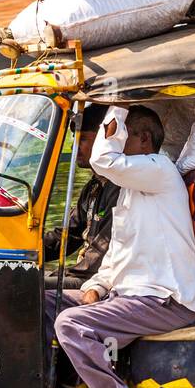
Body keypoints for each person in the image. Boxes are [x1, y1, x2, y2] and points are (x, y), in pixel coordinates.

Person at [45, 104, 195, 388]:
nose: (112, 142)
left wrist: (115, 101)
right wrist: (96, 287)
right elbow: (118, 252)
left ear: (144, 140)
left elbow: (105, 160)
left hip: (165, 298)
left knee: (71, 324)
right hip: (129, 295)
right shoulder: (131, 189)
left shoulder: (159, 169)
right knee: (42, 303)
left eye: (118, 135)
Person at [42, 103, 121, 285]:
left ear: (104, 141)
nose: (75, 147)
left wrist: (61, 275)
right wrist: (24, 249)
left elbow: (100, 254)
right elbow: (68, 235)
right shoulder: (93, 187)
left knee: (36, 288)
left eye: (83, 139)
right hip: (85, 273)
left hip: (101, 279)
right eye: (75, 139)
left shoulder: (118, 188)